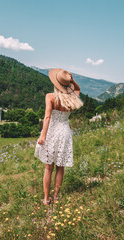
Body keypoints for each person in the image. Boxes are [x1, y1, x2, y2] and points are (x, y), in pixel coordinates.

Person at [34, 68, 83, 205]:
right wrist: (72, 81)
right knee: (60, 166)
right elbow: (78, 89)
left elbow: (47, 117)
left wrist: (43, 136)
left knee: (48, 167)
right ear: (68, 85)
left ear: (56, 84)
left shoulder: (50, 97)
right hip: (65, 132)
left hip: (52, 132)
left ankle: (46, 198)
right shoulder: (73, 98)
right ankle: (56, 196)